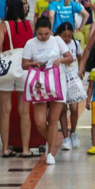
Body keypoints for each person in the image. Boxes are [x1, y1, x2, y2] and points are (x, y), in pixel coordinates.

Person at [22, 17, 73, 165]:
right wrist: (33, 63)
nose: (43, 37)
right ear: (35, 32)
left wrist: (60, 61)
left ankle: (50, 152)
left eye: (46, 33)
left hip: (57, 82)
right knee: (39, 121)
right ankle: (52, 141)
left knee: (53, 119)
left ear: (51, 30)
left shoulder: (57, 40)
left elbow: (70, 58)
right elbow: (24, 64)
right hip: (40, 84)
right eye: (40, 34)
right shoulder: (30, 44)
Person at [0, 0, 33, 158]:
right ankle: (25, 149)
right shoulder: (30, 24)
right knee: (24, 112)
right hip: (24, 67)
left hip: (7, 68)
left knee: (5, 110)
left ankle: (6, 148)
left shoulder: (3, 25)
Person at [56, 23, 85, 151]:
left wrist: (81, 70)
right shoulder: (56, 44)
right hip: (60, 78)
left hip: (73, 78)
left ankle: (73, 132)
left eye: (69, 36)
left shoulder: (75, 44)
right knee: (62, 110)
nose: (67, 38)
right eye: (64, 36)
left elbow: (80, 57)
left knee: (74, 108)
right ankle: (65, 137)